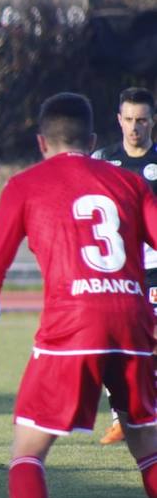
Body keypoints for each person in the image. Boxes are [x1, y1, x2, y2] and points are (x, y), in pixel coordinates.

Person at [0, 92, 157, 498]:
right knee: (149, 450)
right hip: (134, 320)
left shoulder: (24, 184)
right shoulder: (128, 182)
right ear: (93, 141)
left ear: (41, 142)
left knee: (28, 450)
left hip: (73, 324)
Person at [91, 87, 157, 445]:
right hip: (114, 271)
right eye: (129, 119)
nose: (135, 127)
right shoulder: (102, 160)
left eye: (142, 120)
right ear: (119, 120)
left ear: (153, 122)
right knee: (110, 343)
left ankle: (146, 412)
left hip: (153, 269)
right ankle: (122, 416)